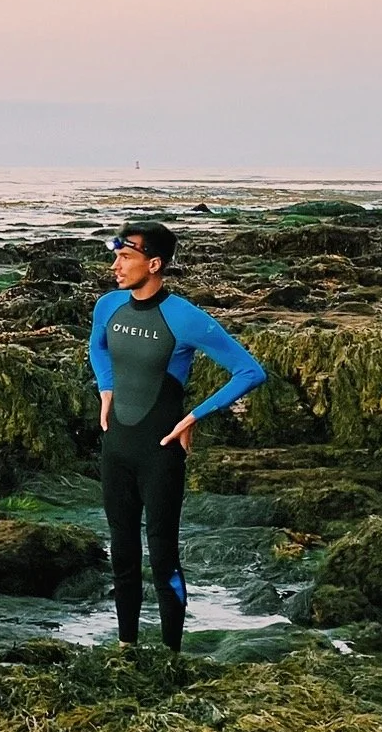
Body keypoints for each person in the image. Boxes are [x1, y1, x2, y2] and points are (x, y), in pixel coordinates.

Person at [89, 221, 266, 651]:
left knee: (164, 555)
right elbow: (97, 346)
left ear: (154, 263)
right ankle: (125, 648)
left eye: (125, 257)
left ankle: (172, 655)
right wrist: (106, 388)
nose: (116, 266)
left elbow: (250, 371)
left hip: (161, 452)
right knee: (123, 555)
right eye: (116, 256)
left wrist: (194, 416)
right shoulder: (108, 306)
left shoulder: (185, 318)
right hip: (116, 449)